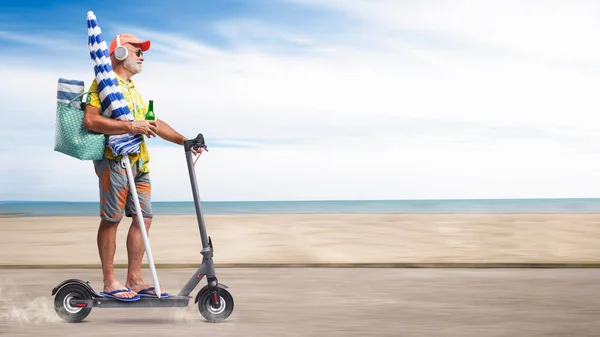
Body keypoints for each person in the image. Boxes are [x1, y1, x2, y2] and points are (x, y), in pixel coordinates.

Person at [83, 33, 203, 300]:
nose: (142, 55)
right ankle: (110, 282)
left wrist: (185, 141)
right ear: (120, 53)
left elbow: (154, 123)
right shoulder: (102, 84)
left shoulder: (134, 91)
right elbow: (90, 121)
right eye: (136, 51)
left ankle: (135, 279)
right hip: (114, 163)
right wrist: (130, 126)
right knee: (111, 220)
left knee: (144, 218)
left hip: (140, 163)